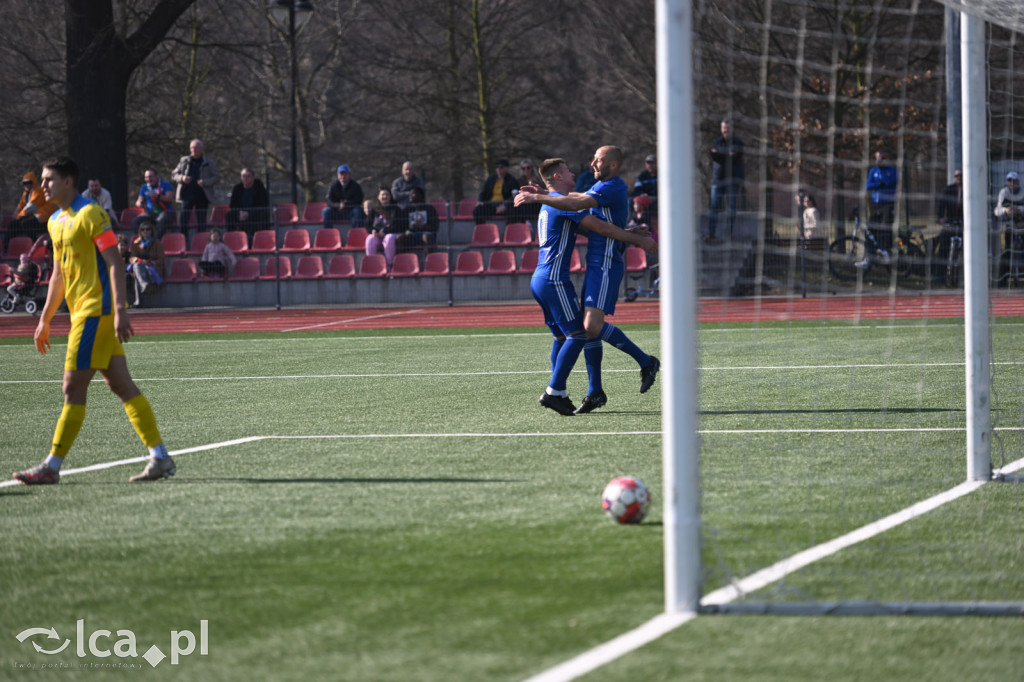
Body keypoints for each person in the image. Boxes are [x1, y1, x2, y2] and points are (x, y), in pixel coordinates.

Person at [12, 156, 174, 485]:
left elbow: (115, 263)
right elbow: (58, 273)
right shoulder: (55, 221)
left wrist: (120, 310)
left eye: (49, 179)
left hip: (95, 313)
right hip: (83, 314)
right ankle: (160, 457)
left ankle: (51, 466)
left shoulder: (91, 214)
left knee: (72, 387)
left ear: (68, 181)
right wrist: (44, 319)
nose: (42, 186)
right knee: (120, 385)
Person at [516, 145, 661, 414]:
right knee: (581, 331)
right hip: (569, 272)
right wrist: (633, 234)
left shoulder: (611, 186)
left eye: (598, 160)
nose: (590, 164)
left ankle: (633, 367)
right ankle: (583, 390)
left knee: (585, 329)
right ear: (558, 177)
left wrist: (635, 238)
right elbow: (587, 218)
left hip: (601, 264)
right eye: (570, 170)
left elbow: (590, 217)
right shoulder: (571, 197)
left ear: (613, 165)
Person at [707, 119, 745, 241]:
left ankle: (728, 234)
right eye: (724, 128)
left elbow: (735, 156)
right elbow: (714, 155)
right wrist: (728, 155)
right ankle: (711, 233)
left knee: (731, 208)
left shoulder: (738, 143)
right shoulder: (715, 142)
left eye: (728, 128)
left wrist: (721, 154)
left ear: (732, 129)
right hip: (718, 180)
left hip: (733, 180)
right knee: (714, 207)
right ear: (721, 129)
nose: (726, 130)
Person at [172, 138, 219, 233]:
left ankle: (201, 242)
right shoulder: (184, 161)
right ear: (190, 149)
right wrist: (182, 178)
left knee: (201, 221)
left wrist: (205, 182)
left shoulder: (209, 163)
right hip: (187, 195)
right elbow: (174, 174)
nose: (194, 149)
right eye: (192, 147)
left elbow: (216, 177)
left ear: (202, 149)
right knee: (184, 220)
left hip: (202, 195)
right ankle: (183, 242)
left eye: (197, 147)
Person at [9, 172, 58, 247]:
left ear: (33, 182)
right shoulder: (26, 193)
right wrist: (16, 213)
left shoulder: (38, 191)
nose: (27, 185)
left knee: (26, 223)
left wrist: (18, 216)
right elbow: (20, 205)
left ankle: (34, 245)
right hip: (36, 216)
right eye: (25, 183)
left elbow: (31, 207)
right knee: (13, 224)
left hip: (45, 217)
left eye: (29, 182)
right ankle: (9, 246)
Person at [865, 149, 898, 253]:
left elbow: (889, 183)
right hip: (876, 205)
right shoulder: (873, 171)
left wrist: (882, 179)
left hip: (888, 204)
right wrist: (879, 184)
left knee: (885, 229)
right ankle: (871, 256)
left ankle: (886, 251)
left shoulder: (893, 171)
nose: (879, 161)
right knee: (870, 230)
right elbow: (868, 186)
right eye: (877, 158)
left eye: (883, 158)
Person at [128, 219, 165, 307]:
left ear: (151, 231)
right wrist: (139, 260)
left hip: (153, 269)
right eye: (142, 229)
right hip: (141, 267)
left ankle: (138, 301)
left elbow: (161, 259)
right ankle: (144, 285)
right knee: (137, 266)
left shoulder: (157, 243)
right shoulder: (136, 243)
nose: (145, 231)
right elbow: (131, 258)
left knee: (137, 271)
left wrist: (150, 262)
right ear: (140, 231)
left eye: (147, 229)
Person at [994, 171, 1024, 280]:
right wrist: (1005, 210)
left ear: (1018, 181)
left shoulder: (1022, 192)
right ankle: (1003, 279)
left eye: (1014, 180)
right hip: (1009, 226)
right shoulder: (1004, 192)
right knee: (1007, 250)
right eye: (1009, 180)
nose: (1011, 183)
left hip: (1022, 225)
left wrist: (1019, 210)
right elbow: (997, 210)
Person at [225, 167, 270, 239]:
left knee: (262, 214)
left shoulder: (260, 188)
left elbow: (263, 204)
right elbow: (233, 205)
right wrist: (240, 212)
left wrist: (249, 213)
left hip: (255, 214)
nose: (245, 178)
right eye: (243, 176)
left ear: (253, 177)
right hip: (241, 214)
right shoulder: (237, 188)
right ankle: (232, 238)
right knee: (230, 215)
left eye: (248, 176)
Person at [472, 158, 519, 225]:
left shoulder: (512, 180)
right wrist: (480, 201)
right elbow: (483, 192)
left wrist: (505, 205)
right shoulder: (491, 179)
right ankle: (482, 231)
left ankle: (508, 233)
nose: (498, 169)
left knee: (514, 211)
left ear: (506, 168)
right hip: (491, 205)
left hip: (505, 206)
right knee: (477, 210)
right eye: (497, 167)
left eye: (501, 167)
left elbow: (515, 196)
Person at [366, 187, 403, 268]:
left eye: (387, 194)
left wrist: (385, 232)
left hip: (392, 234)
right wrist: (373, 230)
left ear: (390, 197)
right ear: (378, 197)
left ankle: (389, 265)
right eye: (382, 195)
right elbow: (368, 224)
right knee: (370, 239)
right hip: (378, 235)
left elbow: (399, 225)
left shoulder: (396, 209)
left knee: (389, 238)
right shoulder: (374, 210)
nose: (385, 197)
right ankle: (372, 266)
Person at [133, 169, 176, 236]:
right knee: (135, 222)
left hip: (165, 212)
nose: (148, 179)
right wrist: (139, 203)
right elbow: (138, 201)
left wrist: (158, 196)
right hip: (150, 213)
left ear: (157, 176)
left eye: (150, 177)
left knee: (160, 220)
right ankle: (144, 240)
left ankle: (156, 242)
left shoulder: (165, 184)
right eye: (146, 177)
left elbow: (169, 198)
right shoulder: (144, 187)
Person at [322, 164, 365, 230]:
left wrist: (346, 205)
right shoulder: (333, 185)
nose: (343, 176)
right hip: (337, 212)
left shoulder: (356, 186)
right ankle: (329, 233)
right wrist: (338, 205)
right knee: (326, 211)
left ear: (350, 175)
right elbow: (329, 200)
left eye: (345, 174)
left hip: (350, 212)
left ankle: (356, 233)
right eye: (341, 174)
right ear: (338, 175)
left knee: (357, 211)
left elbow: (359, 200)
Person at [400, 186, 439, 253]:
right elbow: (401, 226)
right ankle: (402, 261)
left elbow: (435, 226)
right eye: (410, 194)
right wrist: (409, 228)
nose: (411, 196)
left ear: (421, 195)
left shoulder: (429, 209)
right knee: (400, 238)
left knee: (426, 236)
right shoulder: (406, 210)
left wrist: (423, 227)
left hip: (426, 234)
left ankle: (429, 261)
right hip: (411, 235)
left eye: (413, 194)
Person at [936, 169, 963, 265]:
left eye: (961, 176)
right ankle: (940, 272)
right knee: (944, 243)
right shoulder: (949, 189)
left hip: (963, 222)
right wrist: (941, 217)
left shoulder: (968, 189)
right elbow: (941, 204)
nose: (959, 178)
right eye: (957, 176)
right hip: (950, 220)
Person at [511, 159, 542, 225]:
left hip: (535, 203)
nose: (526, 170)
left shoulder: (538, 180)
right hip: (524, 204)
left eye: (528, 168)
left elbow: (541, 192)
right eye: (523, 168)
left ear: (532, 168)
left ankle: (527, 222)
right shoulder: (519, 181)